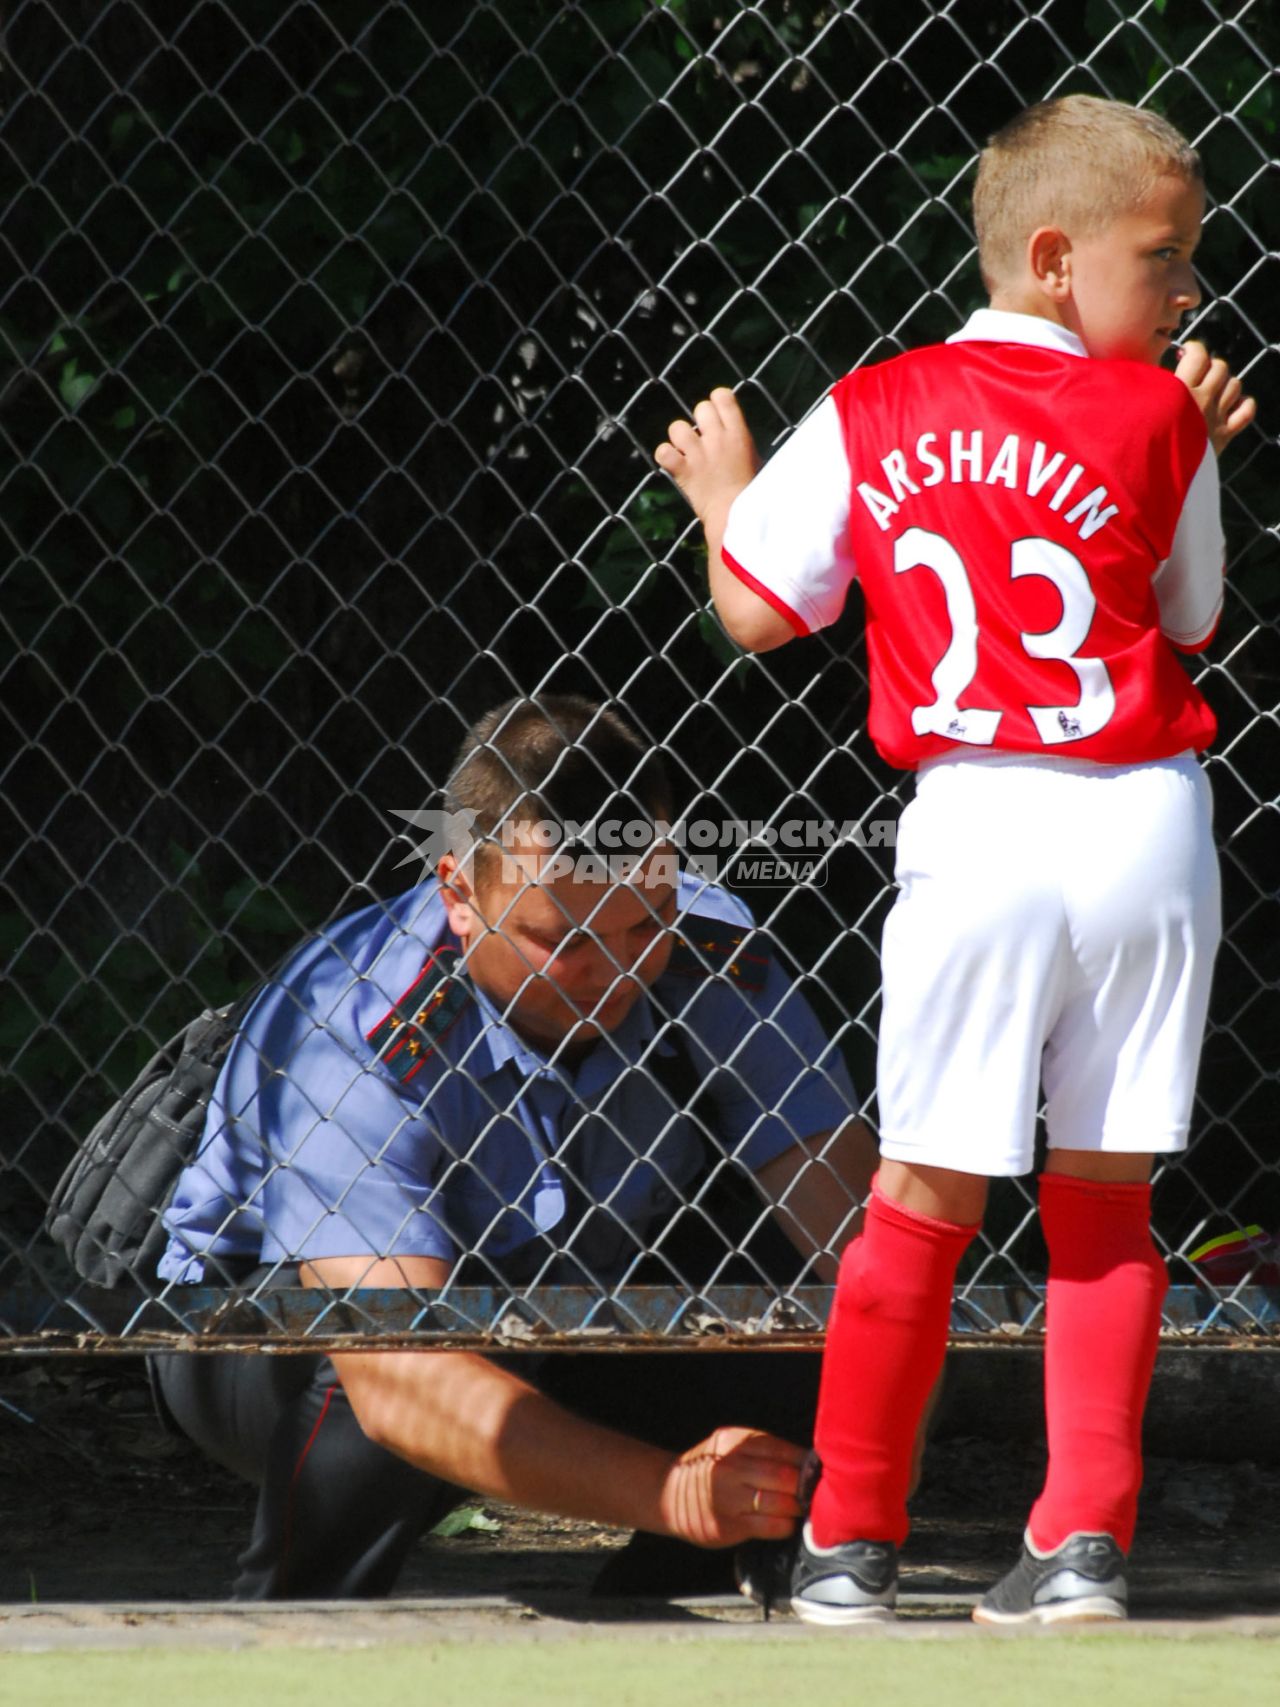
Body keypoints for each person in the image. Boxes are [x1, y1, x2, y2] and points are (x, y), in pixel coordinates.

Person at [655, 94, 1256, 1626]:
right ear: (1056, 259)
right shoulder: (1161, 413)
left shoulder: (877, 401)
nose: (1190, 293)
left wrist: (727, 501)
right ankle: (1081, 1546)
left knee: (920, 1194)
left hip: (981, 815)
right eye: (1165, 257)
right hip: (1143, 820)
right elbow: (1187, 622)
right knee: (1107, 1200)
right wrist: (1181, 441)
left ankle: (851, 1542)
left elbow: (757, 612)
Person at [151, 693, 880, 1598]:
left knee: (831, 1327)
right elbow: (399, 1376)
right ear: (461, 891)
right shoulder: (356, 1023)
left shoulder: (713, 952)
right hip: (261, 1337)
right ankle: (299, 1630)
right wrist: (671, 1491)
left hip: (569, 1300)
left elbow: (870, 1261)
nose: (616, 969)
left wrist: (864, 1486)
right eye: (564, 939)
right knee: (367, 1360)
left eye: (643, 923)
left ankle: (670, 1621)